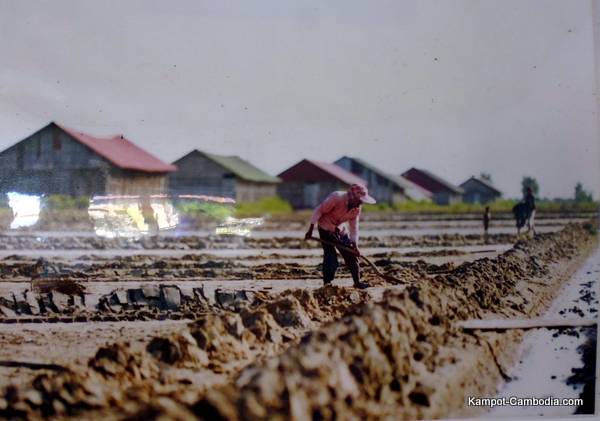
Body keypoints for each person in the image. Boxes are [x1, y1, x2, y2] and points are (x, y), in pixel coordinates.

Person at [304, 184, 375, 289]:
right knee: (330, 257)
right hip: (325, 228)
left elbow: (354, 228)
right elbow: (319, 210)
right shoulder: (337, 197)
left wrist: (355, 245)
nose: (361, 203)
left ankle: (357, 282)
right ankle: (327, 284)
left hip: (340, 230)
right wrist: (310, 230)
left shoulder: (356, 209)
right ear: (353, 197)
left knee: (352, 254)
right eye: (360, 200)